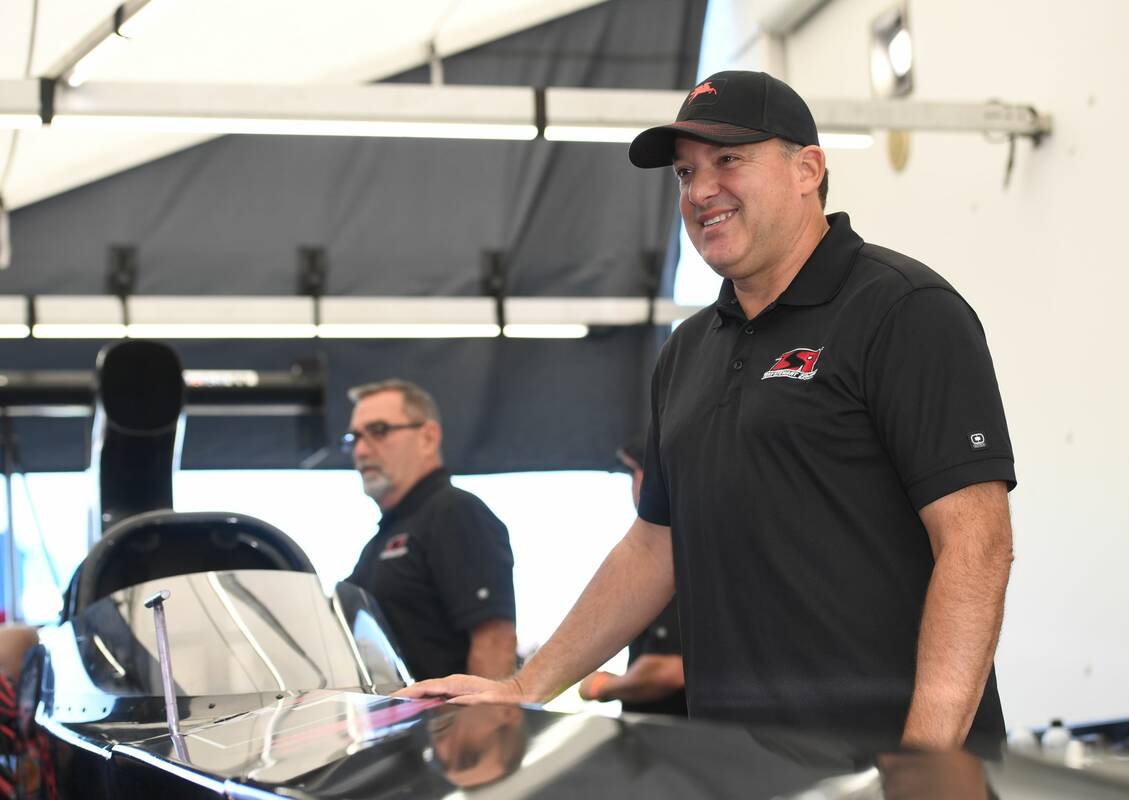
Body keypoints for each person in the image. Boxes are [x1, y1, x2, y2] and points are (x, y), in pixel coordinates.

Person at [400, 71, 1015, 756]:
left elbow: (974, 544)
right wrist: (524, 688)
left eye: (729, 160)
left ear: (807, 168)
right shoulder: (689, 350)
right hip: (735, 769)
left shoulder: (904, 310)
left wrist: (925, 764)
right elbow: (652, 547)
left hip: (885, 767)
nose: (700, 191)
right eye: (685, 173)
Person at [344, 379, 517, 681]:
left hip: (448, 725)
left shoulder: (455, 512)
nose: (360, 449)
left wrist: (483, 724)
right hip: (397, 723)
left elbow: (495, 642)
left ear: (427, 437)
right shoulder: (380, 541)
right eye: (354, 437)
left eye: (379, 431)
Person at [578, 438, 686, 716]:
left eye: (633, 473)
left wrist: (603, 686)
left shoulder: (678, 554)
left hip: (674, 746)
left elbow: (668, 670)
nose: (633, 485)